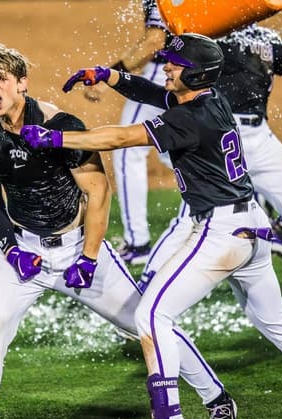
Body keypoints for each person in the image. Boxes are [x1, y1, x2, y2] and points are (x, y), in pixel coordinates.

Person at [23, 33, 282, 419]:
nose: (166, 68)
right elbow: (157, 94)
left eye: (174, 65)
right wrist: (111, 77)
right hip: (249, 227)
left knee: (151, 313)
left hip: (220, 234)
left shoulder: (189, 120)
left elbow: (119, 138)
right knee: (277, 322)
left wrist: (55, 140)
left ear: (195, 73)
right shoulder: (210, 99)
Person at [0, 44, 242, 419]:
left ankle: (217, 401)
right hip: (25, 253)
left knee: (147, 322)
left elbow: (98, 191)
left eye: (2, 79)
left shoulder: (60, 125)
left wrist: (88, 256)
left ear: (21, 84)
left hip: (79, 250)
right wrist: (10, 250)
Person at [137, 24, 282, 329]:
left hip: (261, 139)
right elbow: (177, 48)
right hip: (221, 134)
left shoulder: (262, 38)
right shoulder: (211, 35)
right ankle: (145, 288)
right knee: (189, 221)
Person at [81, 0, 175, 265]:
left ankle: (137, 242)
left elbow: (155, 41)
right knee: (181, 150)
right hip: (199, 73)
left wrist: (111, 75)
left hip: (165, 73)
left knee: (128, 152)